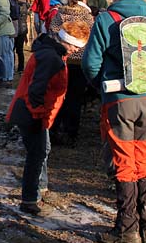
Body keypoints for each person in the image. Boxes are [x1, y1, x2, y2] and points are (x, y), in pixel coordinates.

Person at [82, 0, 146, 243]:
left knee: (124, 161)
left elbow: (90, 63)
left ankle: (126, 229)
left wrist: (100, 83)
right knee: (145, 159)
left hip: (118, 100)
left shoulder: (106, 20)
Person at [8, 20, 91, 214]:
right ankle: (29, 199)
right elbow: (37, 90)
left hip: (35, 113)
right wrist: (39, 116)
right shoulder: (51, 57)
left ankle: (39, 189)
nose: (75, 51)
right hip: (32, 114)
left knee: (42, 150)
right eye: (74, 46)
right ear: (66, 41)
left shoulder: (52, 53)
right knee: (36, 155)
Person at [49, 0, 95, 146]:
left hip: (61, 60)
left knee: (58, 95)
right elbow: (91, 37)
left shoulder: (61, 13)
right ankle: (71, 132)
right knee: (75, 99)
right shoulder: (87, 17)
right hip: (79, 62)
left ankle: (54, 129)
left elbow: (52, 32)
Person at [13, 0, 31, 73]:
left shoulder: (16, 5)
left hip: (17, 28)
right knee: (19, 50)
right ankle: (20, 68)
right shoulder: (25, 4)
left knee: (13, 49)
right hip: (23, 28)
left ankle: (14, 66)